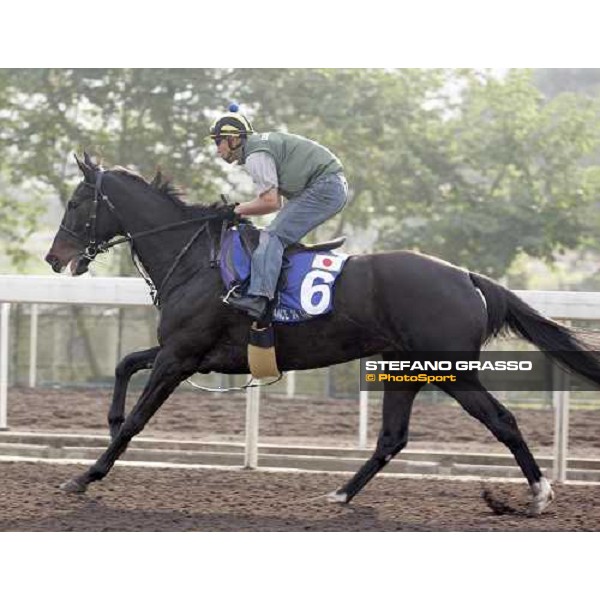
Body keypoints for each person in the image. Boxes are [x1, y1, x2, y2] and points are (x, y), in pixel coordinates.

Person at [209, 103, 348, 320]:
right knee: (277, 233)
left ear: (234, 139)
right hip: (327, 185)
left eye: (219, 142)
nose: (217, 149)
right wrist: (239, 210)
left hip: (325, 187)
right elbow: (275, 202)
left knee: (272, 236)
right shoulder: (258, 149)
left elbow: (271, 202)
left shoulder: (256, 156)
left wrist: (235, 210)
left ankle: (259, 299)